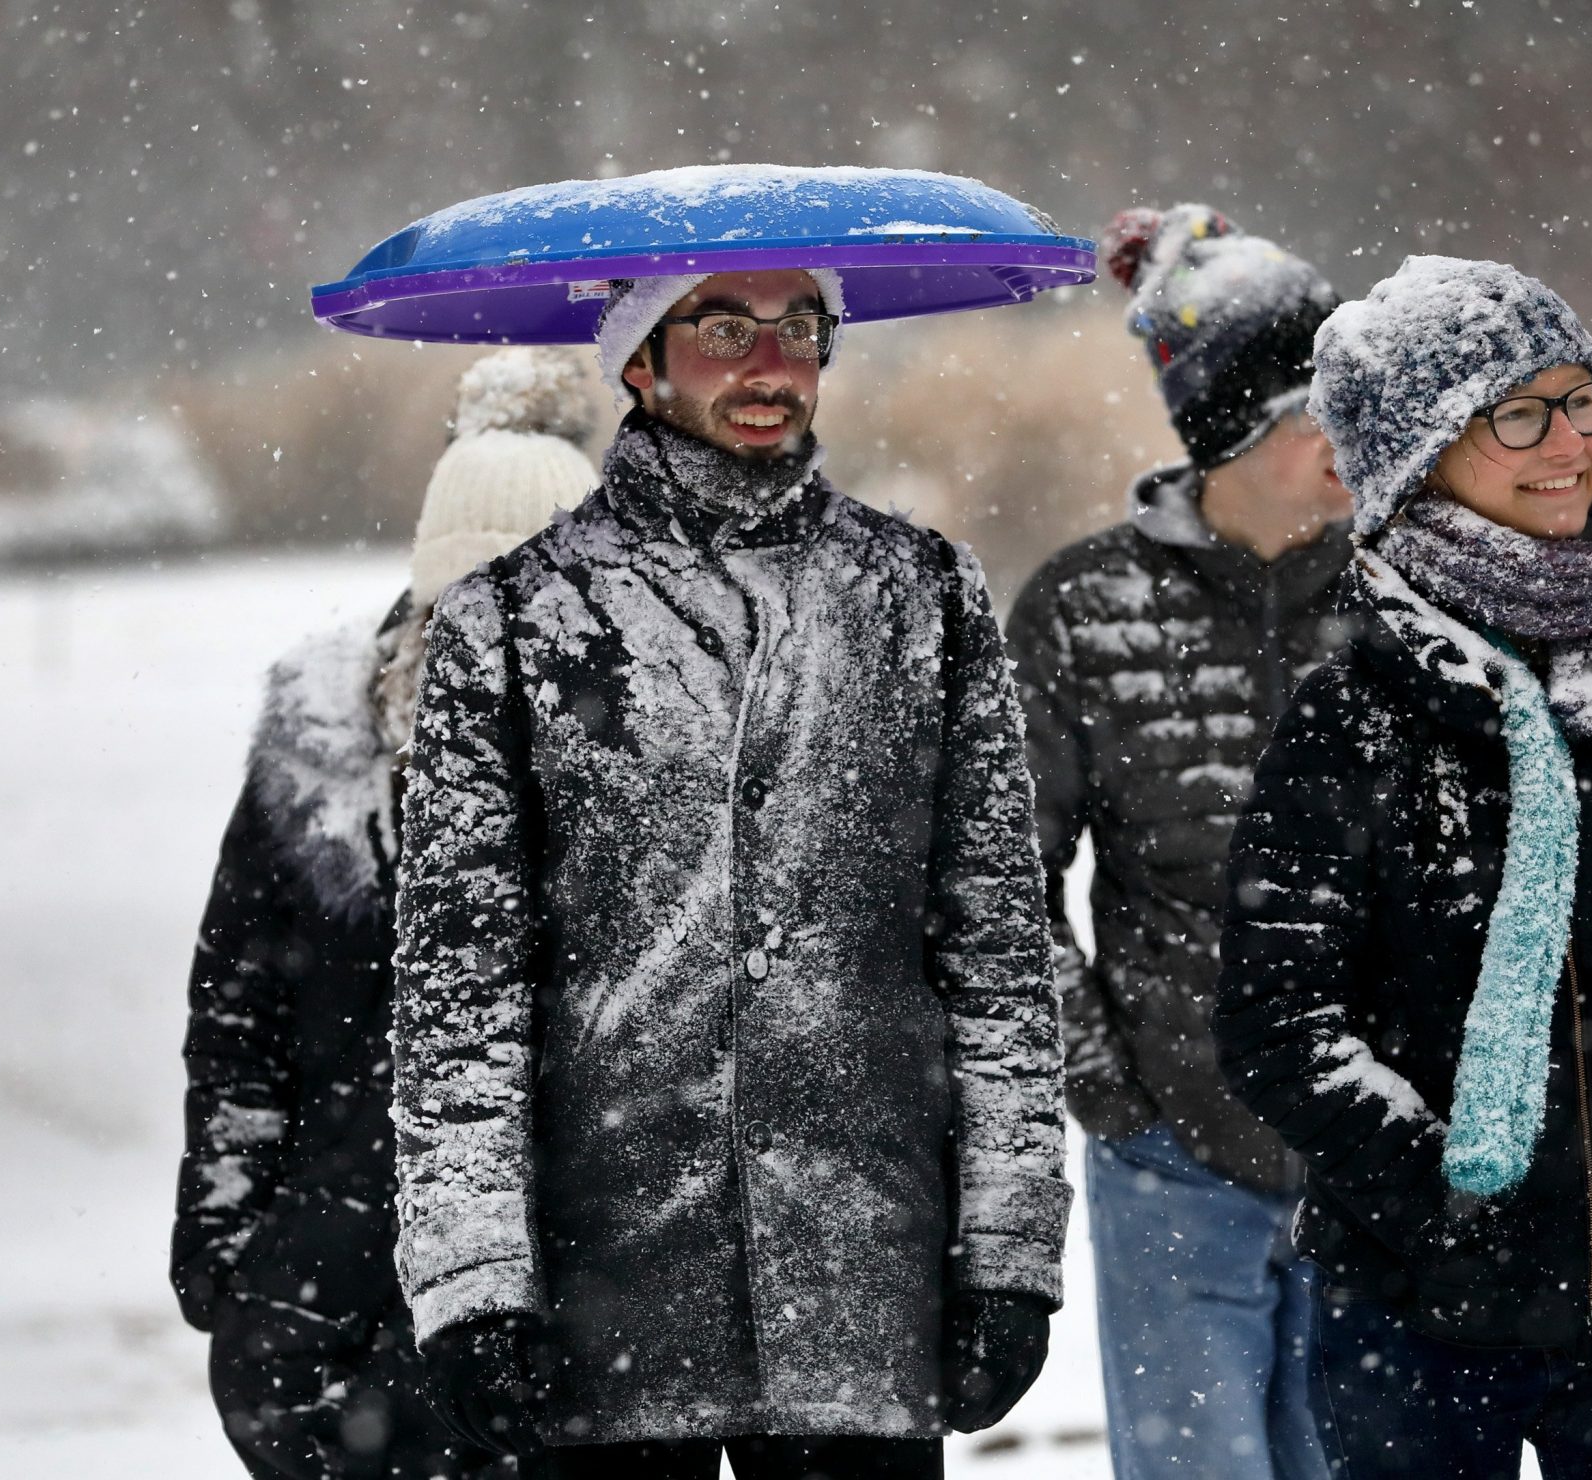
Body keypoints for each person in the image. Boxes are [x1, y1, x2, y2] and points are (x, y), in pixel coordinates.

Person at [390, 262, 1070, 1480]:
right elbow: (459, 998)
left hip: (863, 1279)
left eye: (799, 327)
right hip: (603, 1289)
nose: (770, 363)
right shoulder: (515, 616)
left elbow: (998, 959)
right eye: (720, 329)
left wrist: (1008, 1247)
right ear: (636, 363)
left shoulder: (920, 595)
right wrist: (473, 1277)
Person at [1212, 255, 1592, 1478]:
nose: (1570, 442)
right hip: (1411, 1325)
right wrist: (1445, 1205)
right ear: (1414, 454)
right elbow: (1278, 1020)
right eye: (1516, 413)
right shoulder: (1354, 711)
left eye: (1582, 397)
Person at [172, 346, 608, 1479]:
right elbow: (240, 1007)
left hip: (563, 1273)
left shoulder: (636, 761)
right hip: (328, 1265)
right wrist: (226, 1208)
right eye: (466, 595)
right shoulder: (319, 763)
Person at [1004, 203, 1348, 1480]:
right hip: (1172, 1162)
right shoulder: (1082, 610)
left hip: (1375, 1164)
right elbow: (997, 885)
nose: (1347, 431)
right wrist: (1112, 1095)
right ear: (1230, 427)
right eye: (1315, 403)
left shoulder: (1401, 598)